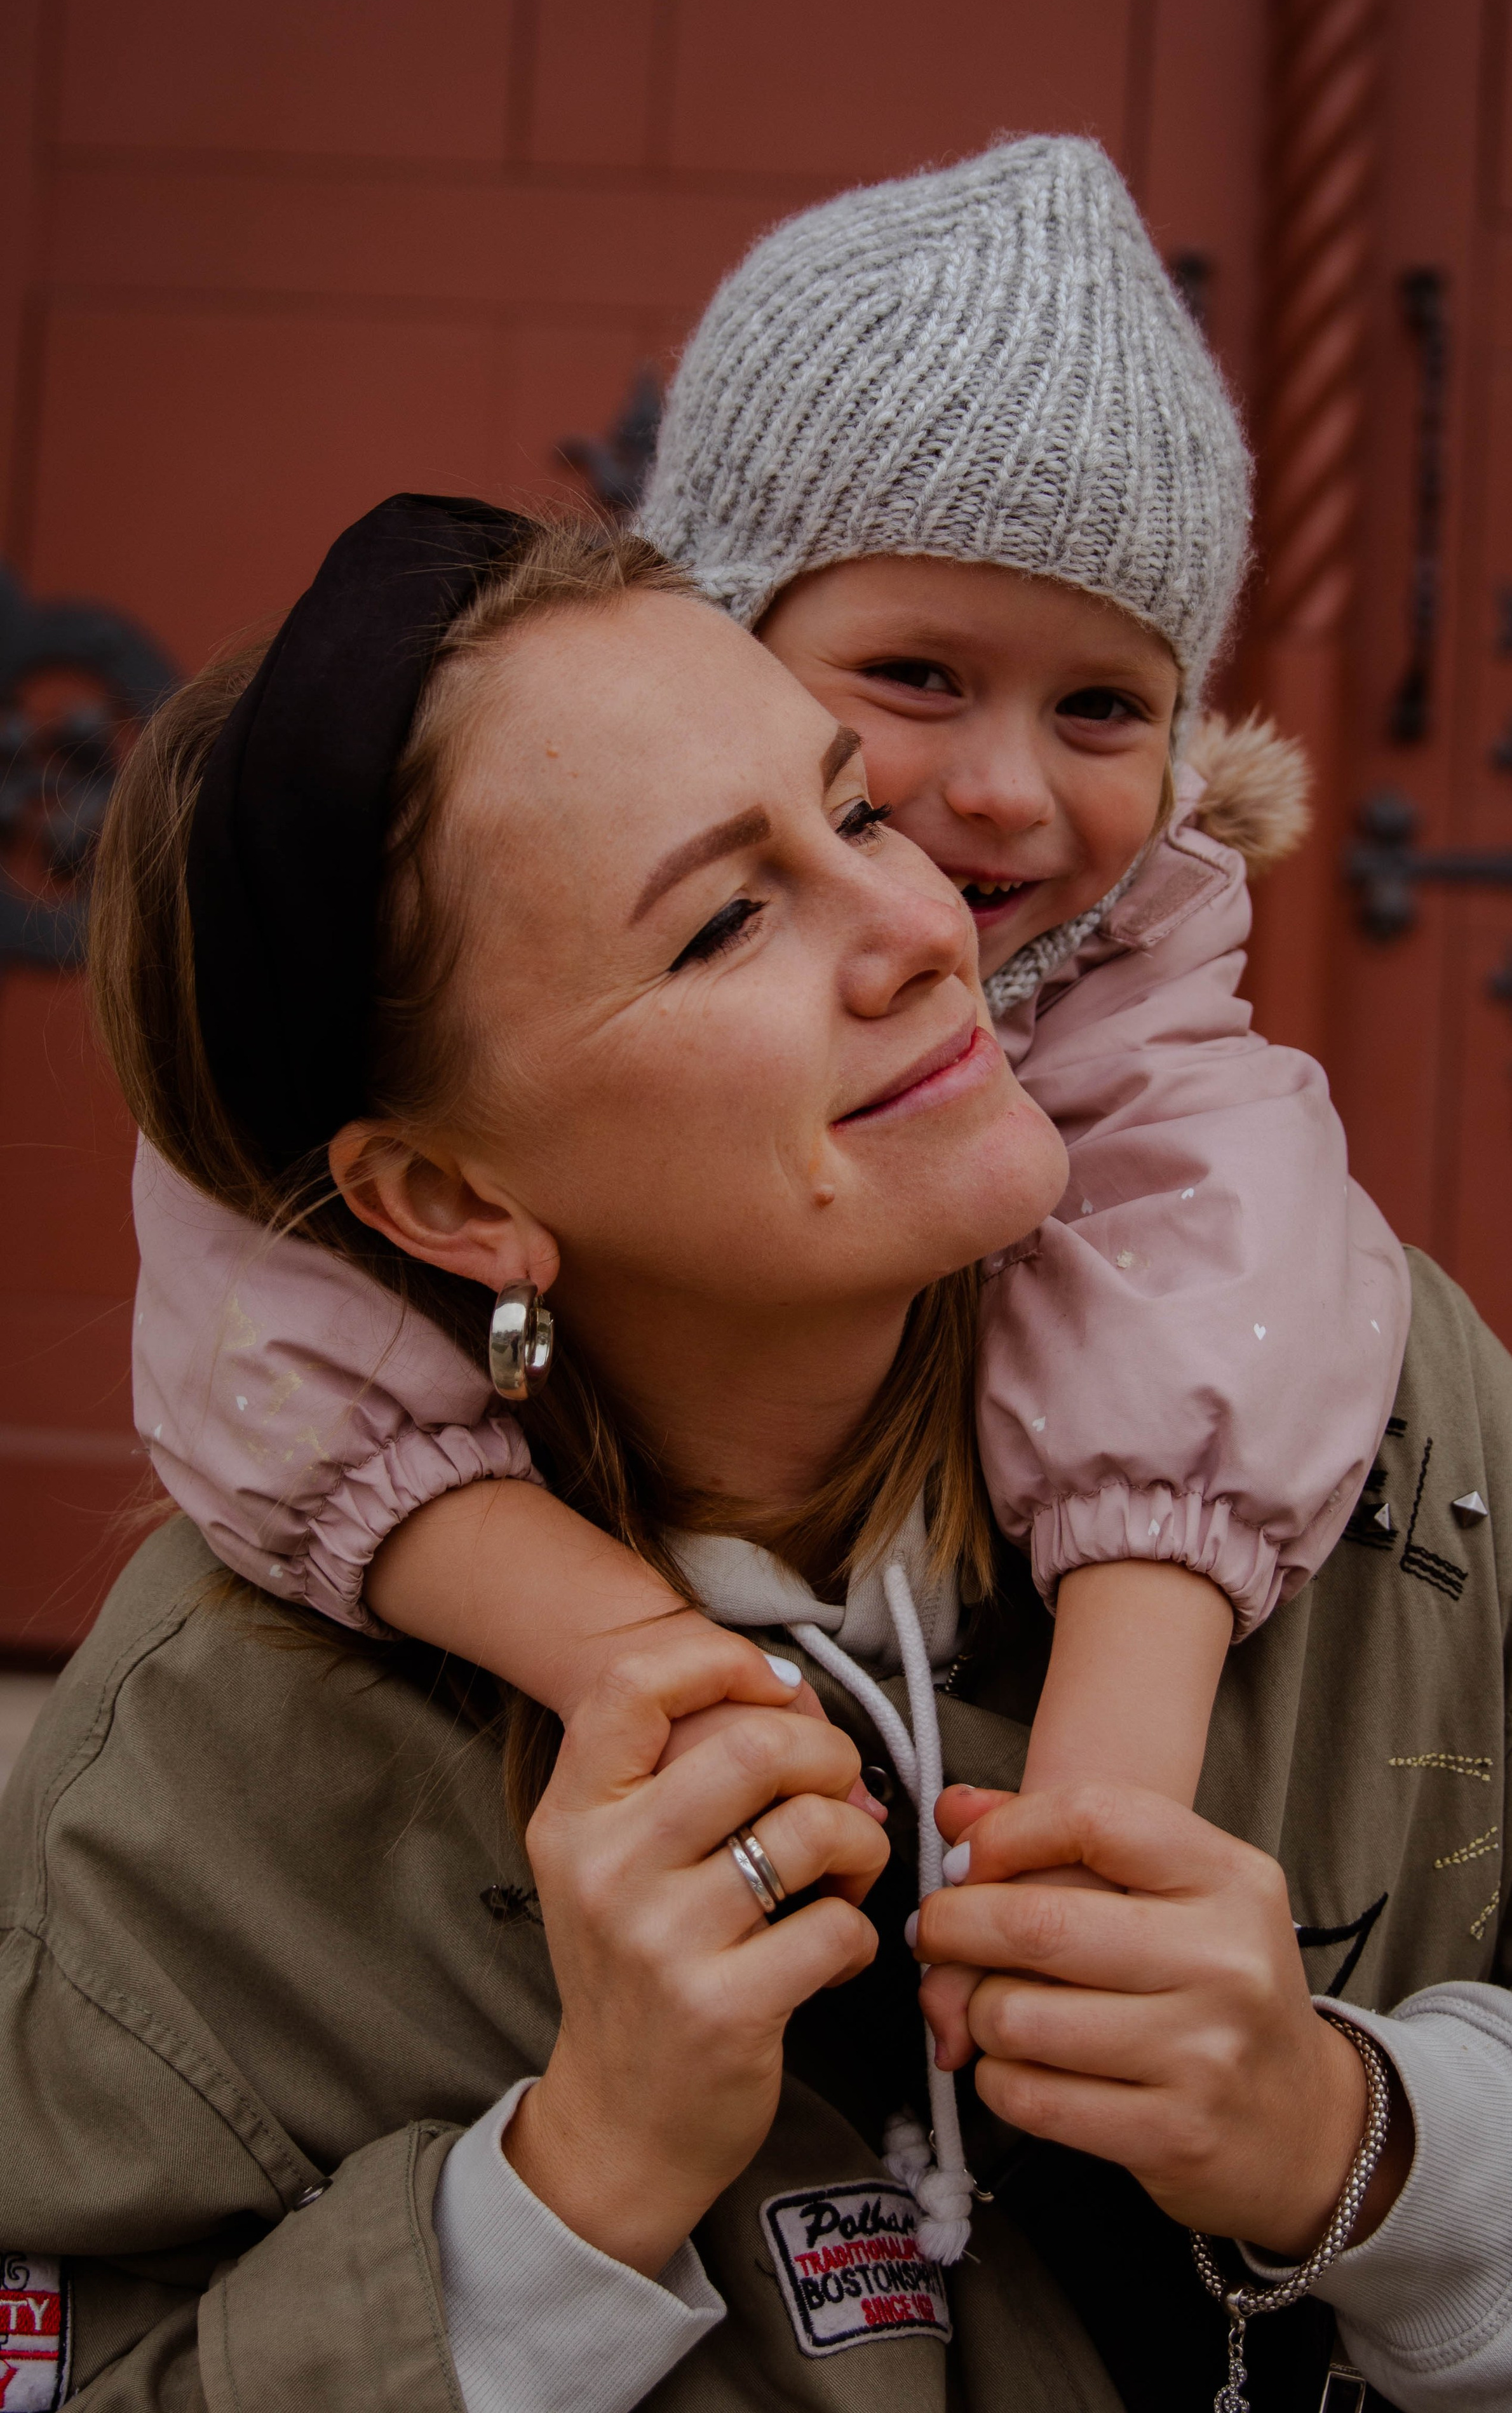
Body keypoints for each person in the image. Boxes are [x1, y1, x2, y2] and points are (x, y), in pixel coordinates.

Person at [0, 496, 1512, 2413]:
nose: (928, 927)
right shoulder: (188, 1795)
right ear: (446, 1193)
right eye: (723, 920)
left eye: (853, 811)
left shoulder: (1383, 1419)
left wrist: (1365, 2139)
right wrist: (567, 2196)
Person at [125, 137, 1408, 1914]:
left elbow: (1229, 1240)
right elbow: (247, 1233)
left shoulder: (1150, 954)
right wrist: (605, 1633)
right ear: (715, 639)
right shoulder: (464, 917)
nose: (1007, 796)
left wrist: (1120, 1742)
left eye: (1106, 705)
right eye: (919, 681)